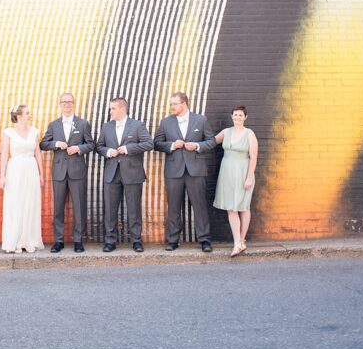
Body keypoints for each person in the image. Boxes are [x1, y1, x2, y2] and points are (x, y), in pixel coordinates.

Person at [154, 92, 217, 252]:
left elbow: (211, 141)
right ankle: (173, 240)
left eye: (175, 103)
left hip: (196, 170)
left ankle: (204, 240)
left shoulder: (200, 120)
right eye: (172, 103)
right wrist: (173, 145)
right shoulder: (166, 122)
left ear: (184, 103)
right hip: (174, 170)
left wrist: (197, 146)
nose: (172, 107)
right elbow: (157, 143)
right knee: (174, 206)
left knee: (200, 205)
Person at [96, 97, 153, 253]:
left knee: (134, 208)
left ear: (122, 109)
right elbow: (99, 146)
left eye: (113, 108)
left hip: (133, 173)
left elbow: (149, 144)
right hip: (111, 173)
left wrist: (128, 149)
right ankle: (110, 241)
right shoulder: (107, 126)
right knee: (110, 209)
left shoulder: (137, 125)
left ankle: (136, 241)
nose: (110, 111)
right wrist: (108, 151)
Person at [40, 92, 95, 253]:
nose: (67, 105)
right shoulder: (53, 124)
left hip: (77, 170)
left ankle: (78, 240)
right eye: (64, 102)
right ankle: (59, 240)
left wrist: (78, 148)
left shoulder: (83, 124)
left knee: (79, 206)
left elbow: (91, 144)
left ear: (73, 104)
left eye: (69, 102)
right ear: (59, 104)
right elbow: (43, 144)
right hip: (59, 171)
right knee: (58, 207)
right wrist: (56, 143)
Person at [0, 104, 45, 253]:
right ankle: (15, 240)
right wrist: (2, 176)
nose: (29, 115)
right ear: (19, 117)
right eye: (27, 113)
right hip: (15, 170)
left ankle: (28, 240)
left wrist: (41, 174)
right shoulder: (9, 133)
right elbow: (4, 155)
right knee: (15, 203)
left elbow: (38, 154)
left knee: (30, 203)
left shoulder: (34, 132)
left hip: (31, 169)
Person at [214, 105, 259, 256]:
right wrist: (194, 143)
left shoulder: (249, 133)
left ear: (245, 117)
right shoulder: (226, 132)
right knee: (231, 208)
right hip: (227, 173)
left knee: (243, 207)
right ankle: (237, 243)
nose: (237, 117)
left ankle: (241, 240)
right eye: (235, 115)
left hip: (243, 172)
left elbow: (253, 156)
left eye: (240, 115)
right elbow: (212, 141)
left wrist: (249, 176)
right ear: (231, 116)